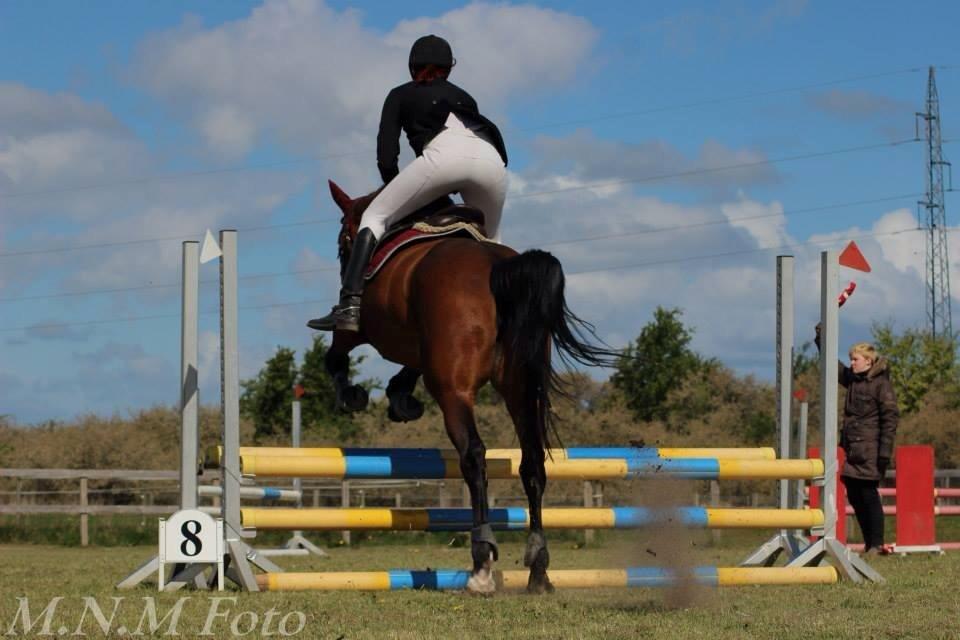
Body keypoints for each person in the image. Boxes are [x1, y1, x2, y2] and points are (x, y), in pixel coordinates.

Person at [310, 34, 508, 332]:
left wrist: (395, 191)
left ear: (412, 67)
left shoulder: (400, 94)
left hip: (443, 159)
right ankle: (506, 314)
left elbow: (388, 157)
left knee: (374, 217)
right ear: (449, 68)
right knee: (491, 243)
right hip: (493, 164)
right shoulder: (466, 97)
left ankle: (349, 306)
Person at [816, 326, 899, 555]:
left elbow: (890, 419)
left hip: (871, 450)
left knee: (868, 495)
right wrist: (821, 335)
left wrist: (884, 453)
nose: (851, 363)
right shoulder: (853, 381)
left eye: (855, 359)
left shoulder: (881, 385)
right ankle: (869, 542)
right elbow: (831, 365)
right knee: (854, 494)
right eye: (851, 359)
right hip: (853, 451)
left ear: (869, 362)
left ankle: (876, 544)